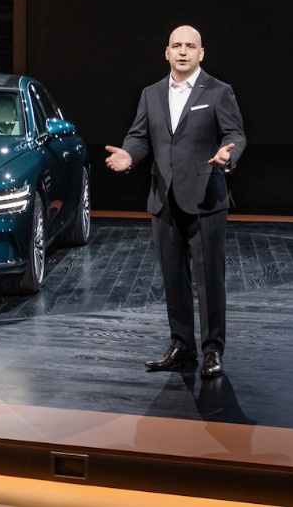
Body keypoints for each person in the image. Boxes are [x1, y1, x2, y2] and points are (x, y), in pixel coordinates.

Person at [105, 24, 245, 377]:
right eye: (177, 45)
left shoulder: (219, 91)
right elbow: (139, 137)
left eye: (190, 46)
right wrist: (129, 156)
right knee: (173, 278)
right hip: (163, 199)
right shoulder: (151, 93)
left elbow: (234, 133)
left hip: (205, 197)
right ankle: (182, 345)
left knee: (209, 280)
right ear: (166, 52)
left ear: (201, 53)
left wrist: (228, 154)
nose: (183, 51)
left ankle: (213, 350)